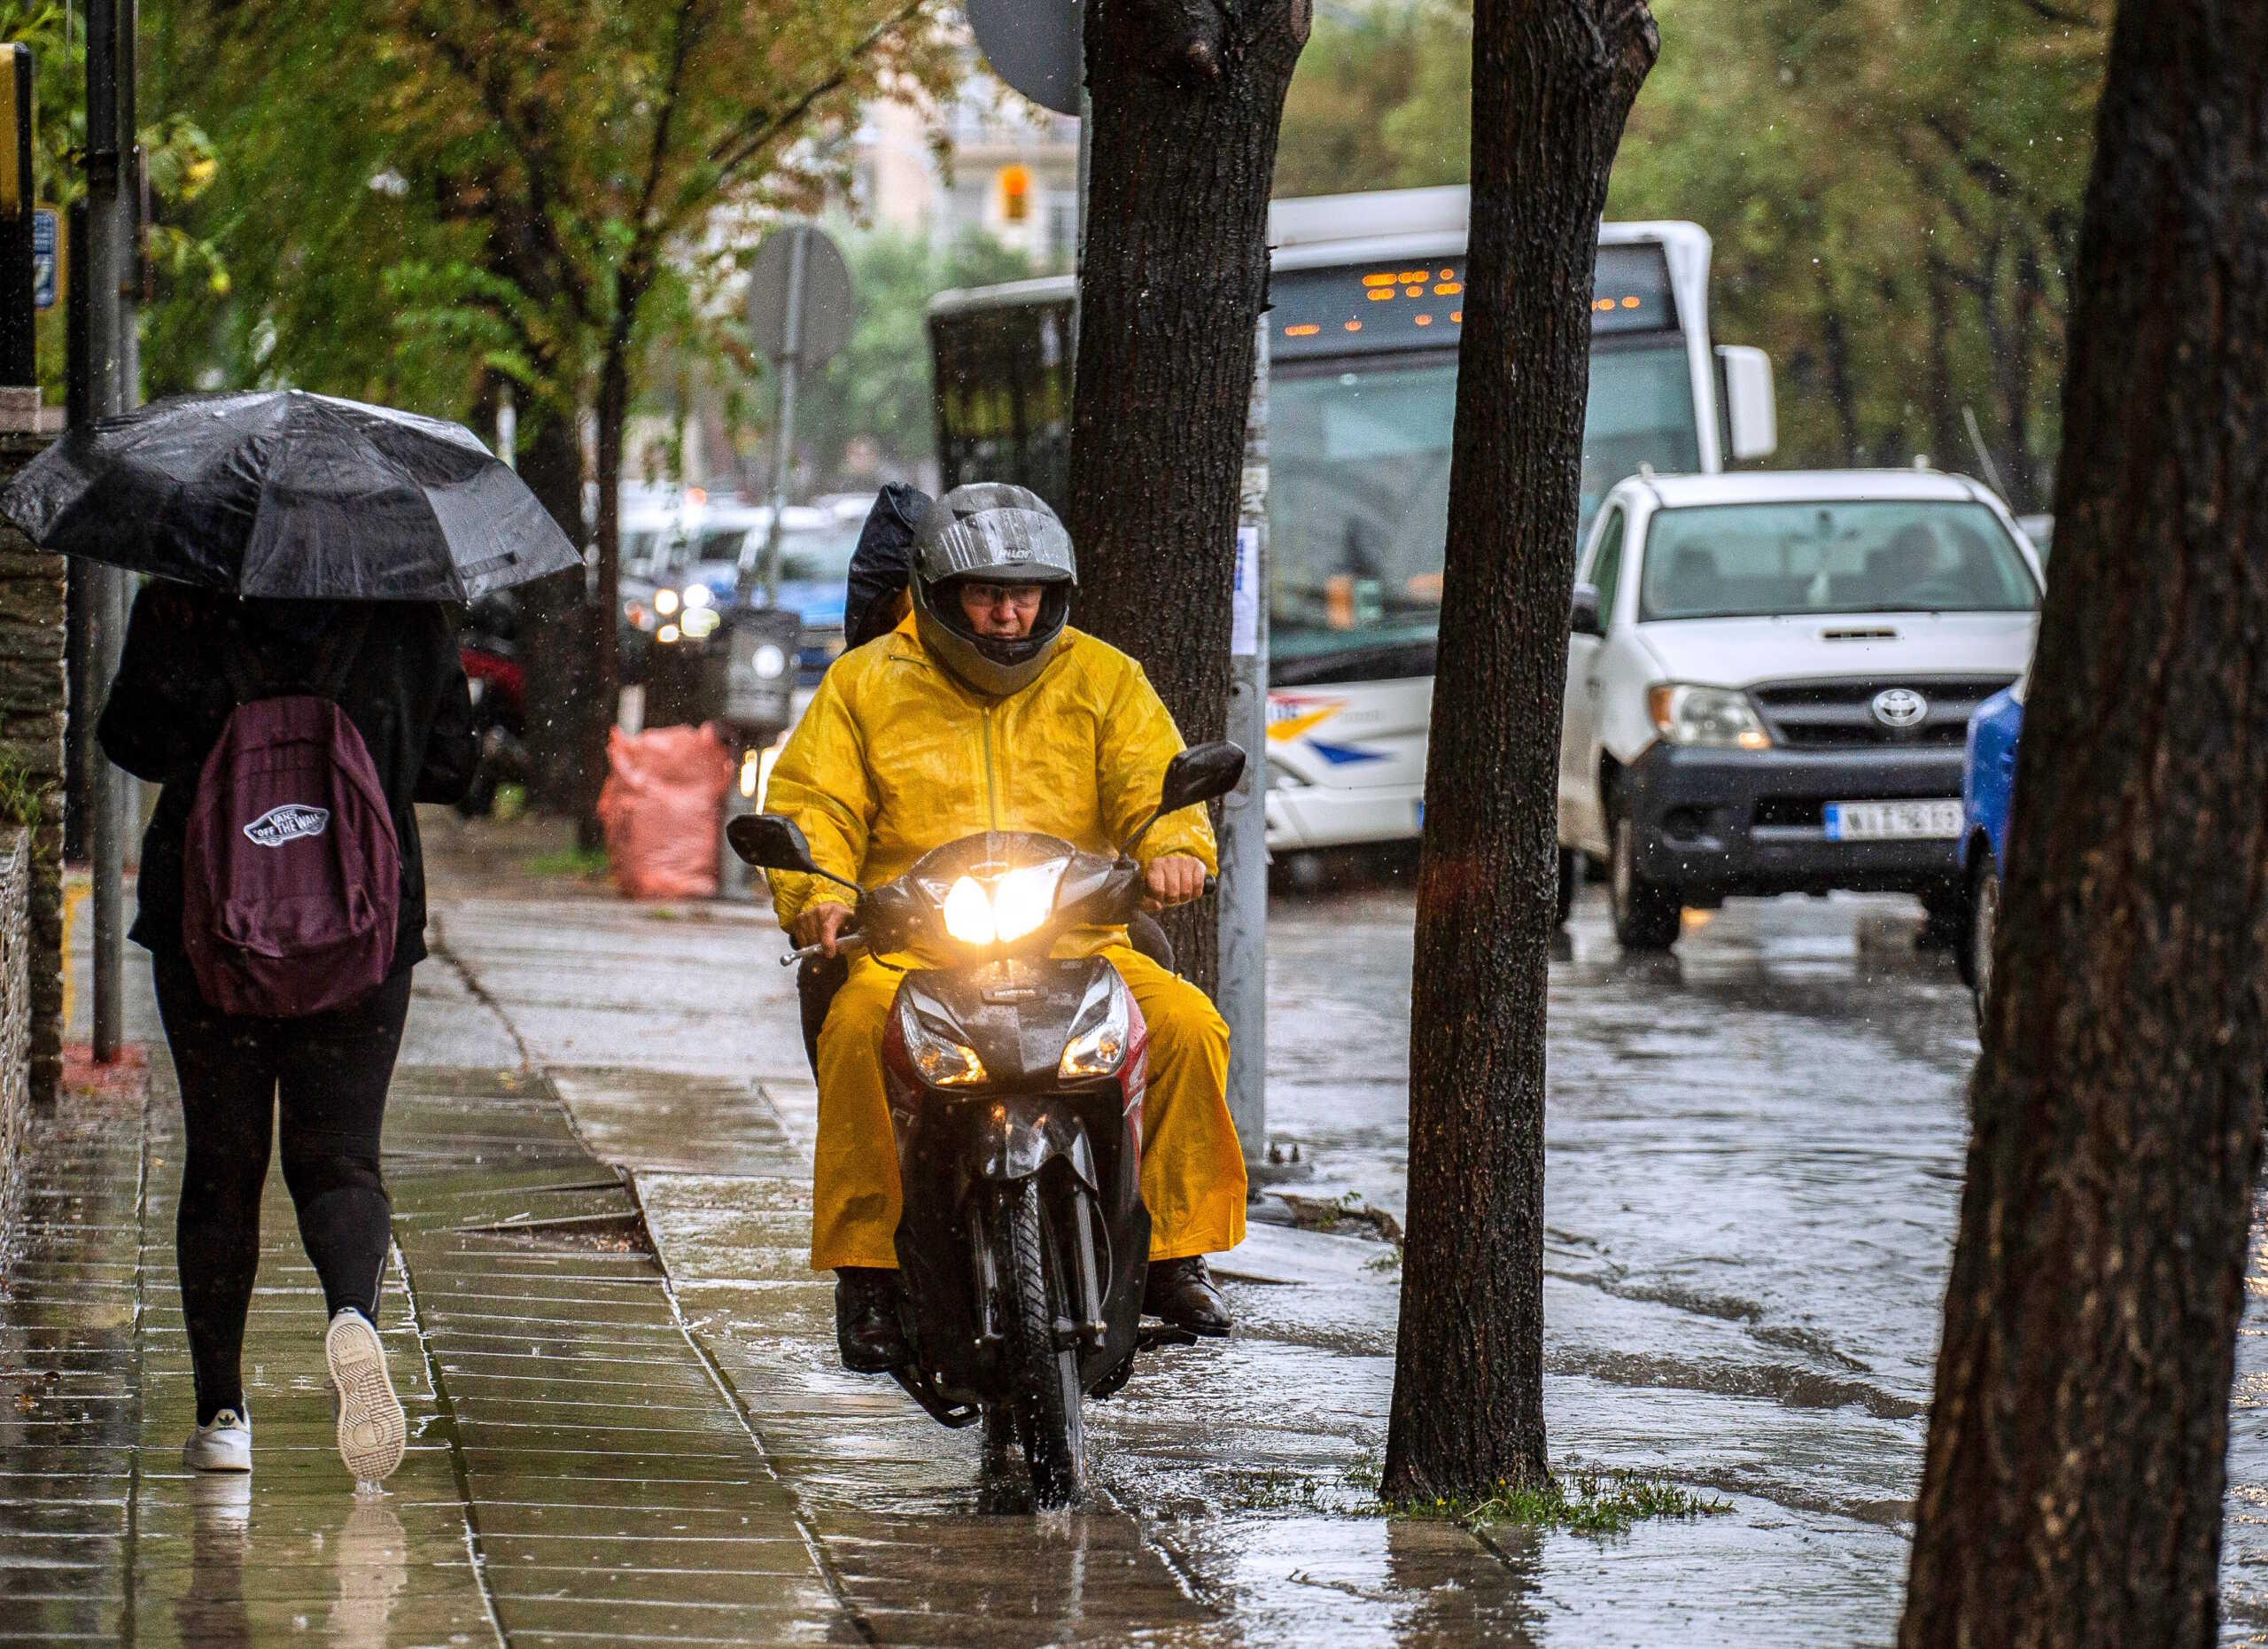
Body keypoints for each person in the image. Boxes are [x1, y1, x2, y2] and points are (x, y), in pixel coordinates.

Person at [763, 483, 1247, 1371]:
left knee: (1184, 1025)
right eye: (987, 592)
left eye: (1025, 592)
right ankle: (867, 1273)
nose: (1008, 611)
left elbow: (1154, 785)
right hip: (913, 949)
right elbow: (813, 803)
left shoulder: (1103, 676)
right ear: (934, 593)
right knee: (855, 1030)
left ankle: (1177, 1252)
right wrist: (819, 893)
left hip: (1077, 942)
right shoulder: (863, 683)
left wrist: (1176, 847)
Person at [97, 585, 476, 1482]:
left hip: (208, 922)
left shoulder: (182, 601)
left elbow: (128, 740)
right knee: (342, 1157)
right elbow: (454, 770)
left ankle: (223, 1416)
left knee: (223, 1163)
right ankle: (351, 1312)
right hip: (363, 923)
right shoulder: (408, 609)